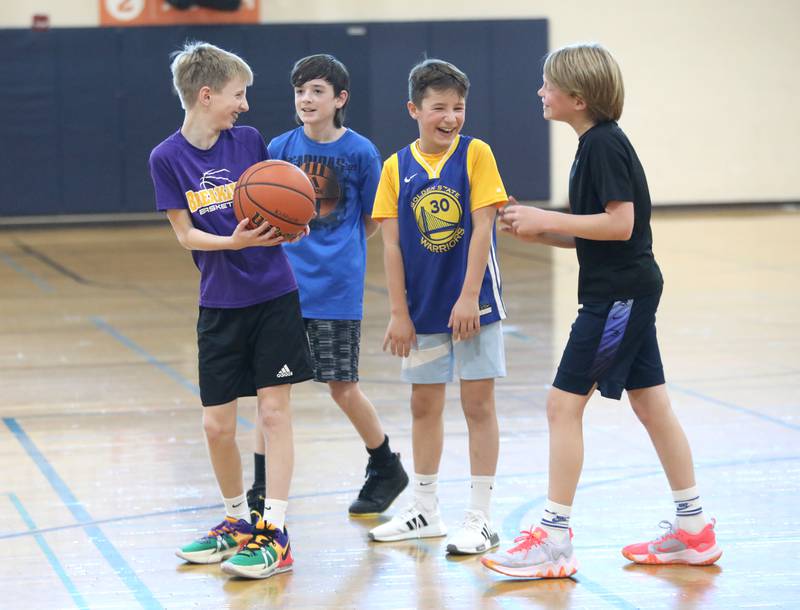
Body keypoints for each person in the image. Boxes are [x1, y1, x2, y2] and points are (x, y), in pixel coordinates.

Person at [481, 42, 722, 578]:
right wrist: (542, 230)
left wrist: (548, 215)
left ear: (578, 96)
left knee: (561, 406)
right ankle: (694, 530)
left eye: (548, 84)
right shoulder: (594, 145)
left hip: (618, 297)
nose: (540, 91)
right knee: (652, 405)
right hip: (626, 286)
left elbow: (620, 224)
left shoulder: (603, 146)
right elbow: (601, 235)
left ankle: (554, 537)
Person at [148, 41, 314, 580]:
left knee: (272, 414)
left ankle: (277, 531)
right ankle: (237, 521)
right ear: (206, 94)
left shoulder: (249, 141)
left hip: (273, 296)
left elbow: (280, 201)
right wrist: (231, 245)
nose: (244, 105)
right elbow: (183, 233)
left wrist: (291, 223)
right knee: (217, 425)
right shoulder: (166, 158)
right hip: (219, 303)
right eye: (237, 95)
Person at [246, 53, 408, 519]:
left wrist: (339, 248)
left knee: (341, 387)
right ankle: (260, 487)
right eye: (300, 91)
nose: (306, 99)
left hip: (336, 288)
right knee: (270, 391)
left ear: (340, 99)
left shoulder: (359, 151)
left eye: (317, 91)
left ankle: (385, 466)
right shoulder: (278, 146)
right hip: (282, 287)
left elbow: (373, 219)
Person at [368, 58, 508, 555]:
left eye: (459, 108)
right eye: (439, 108)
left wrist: (469, 296)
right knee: (423, 404)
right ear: (414, 109)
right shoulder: (394, 167)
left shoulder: (476, 155)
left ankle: (481, 517)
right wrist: (399, 313)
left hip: (475, 307)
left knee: (477, 405)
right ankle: (425, 508)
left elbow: (484, 227)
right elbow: (391, 246)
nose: (450, 117)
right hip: (423, 311)